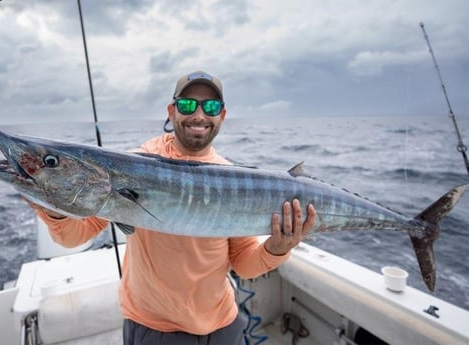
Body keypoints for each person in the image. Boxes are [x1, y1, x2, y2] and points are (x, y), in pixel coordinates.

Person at [29, 71, 317, 345]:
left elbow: (244, 263)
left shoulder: (231, 178)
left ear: (222, 116)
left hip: (223, 324)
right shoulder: (132, 165)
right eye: (188, 104)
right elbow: (73, 237)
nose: (199, 115)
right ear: (172, 111)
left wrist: (278, 248)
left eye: (211, 106)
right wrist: (54, 209)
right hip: (154, 330)